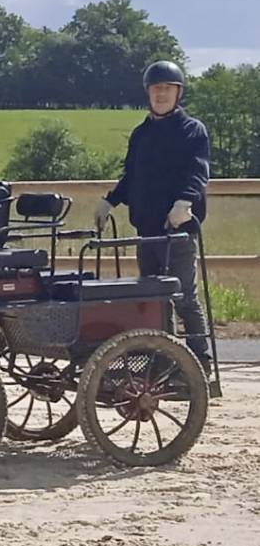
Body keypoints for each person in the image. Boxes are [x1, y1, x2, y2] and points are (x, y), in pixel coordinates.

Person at [94, 60, 212, 366]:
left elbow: (198, 173)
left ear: (178, 93)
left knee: (184, 296)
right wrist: (110, 201)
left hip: (178, 228)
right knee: (154, 299)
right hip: (147, 229)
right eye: (156, 88)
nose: (161, 94)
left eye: (167, 89)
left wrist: (184, 202)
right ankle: (166, 361)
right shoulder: (141, 134)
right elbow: (131, 176)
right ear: (148, 93)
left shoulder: (192, 130)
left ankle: (200, 363)